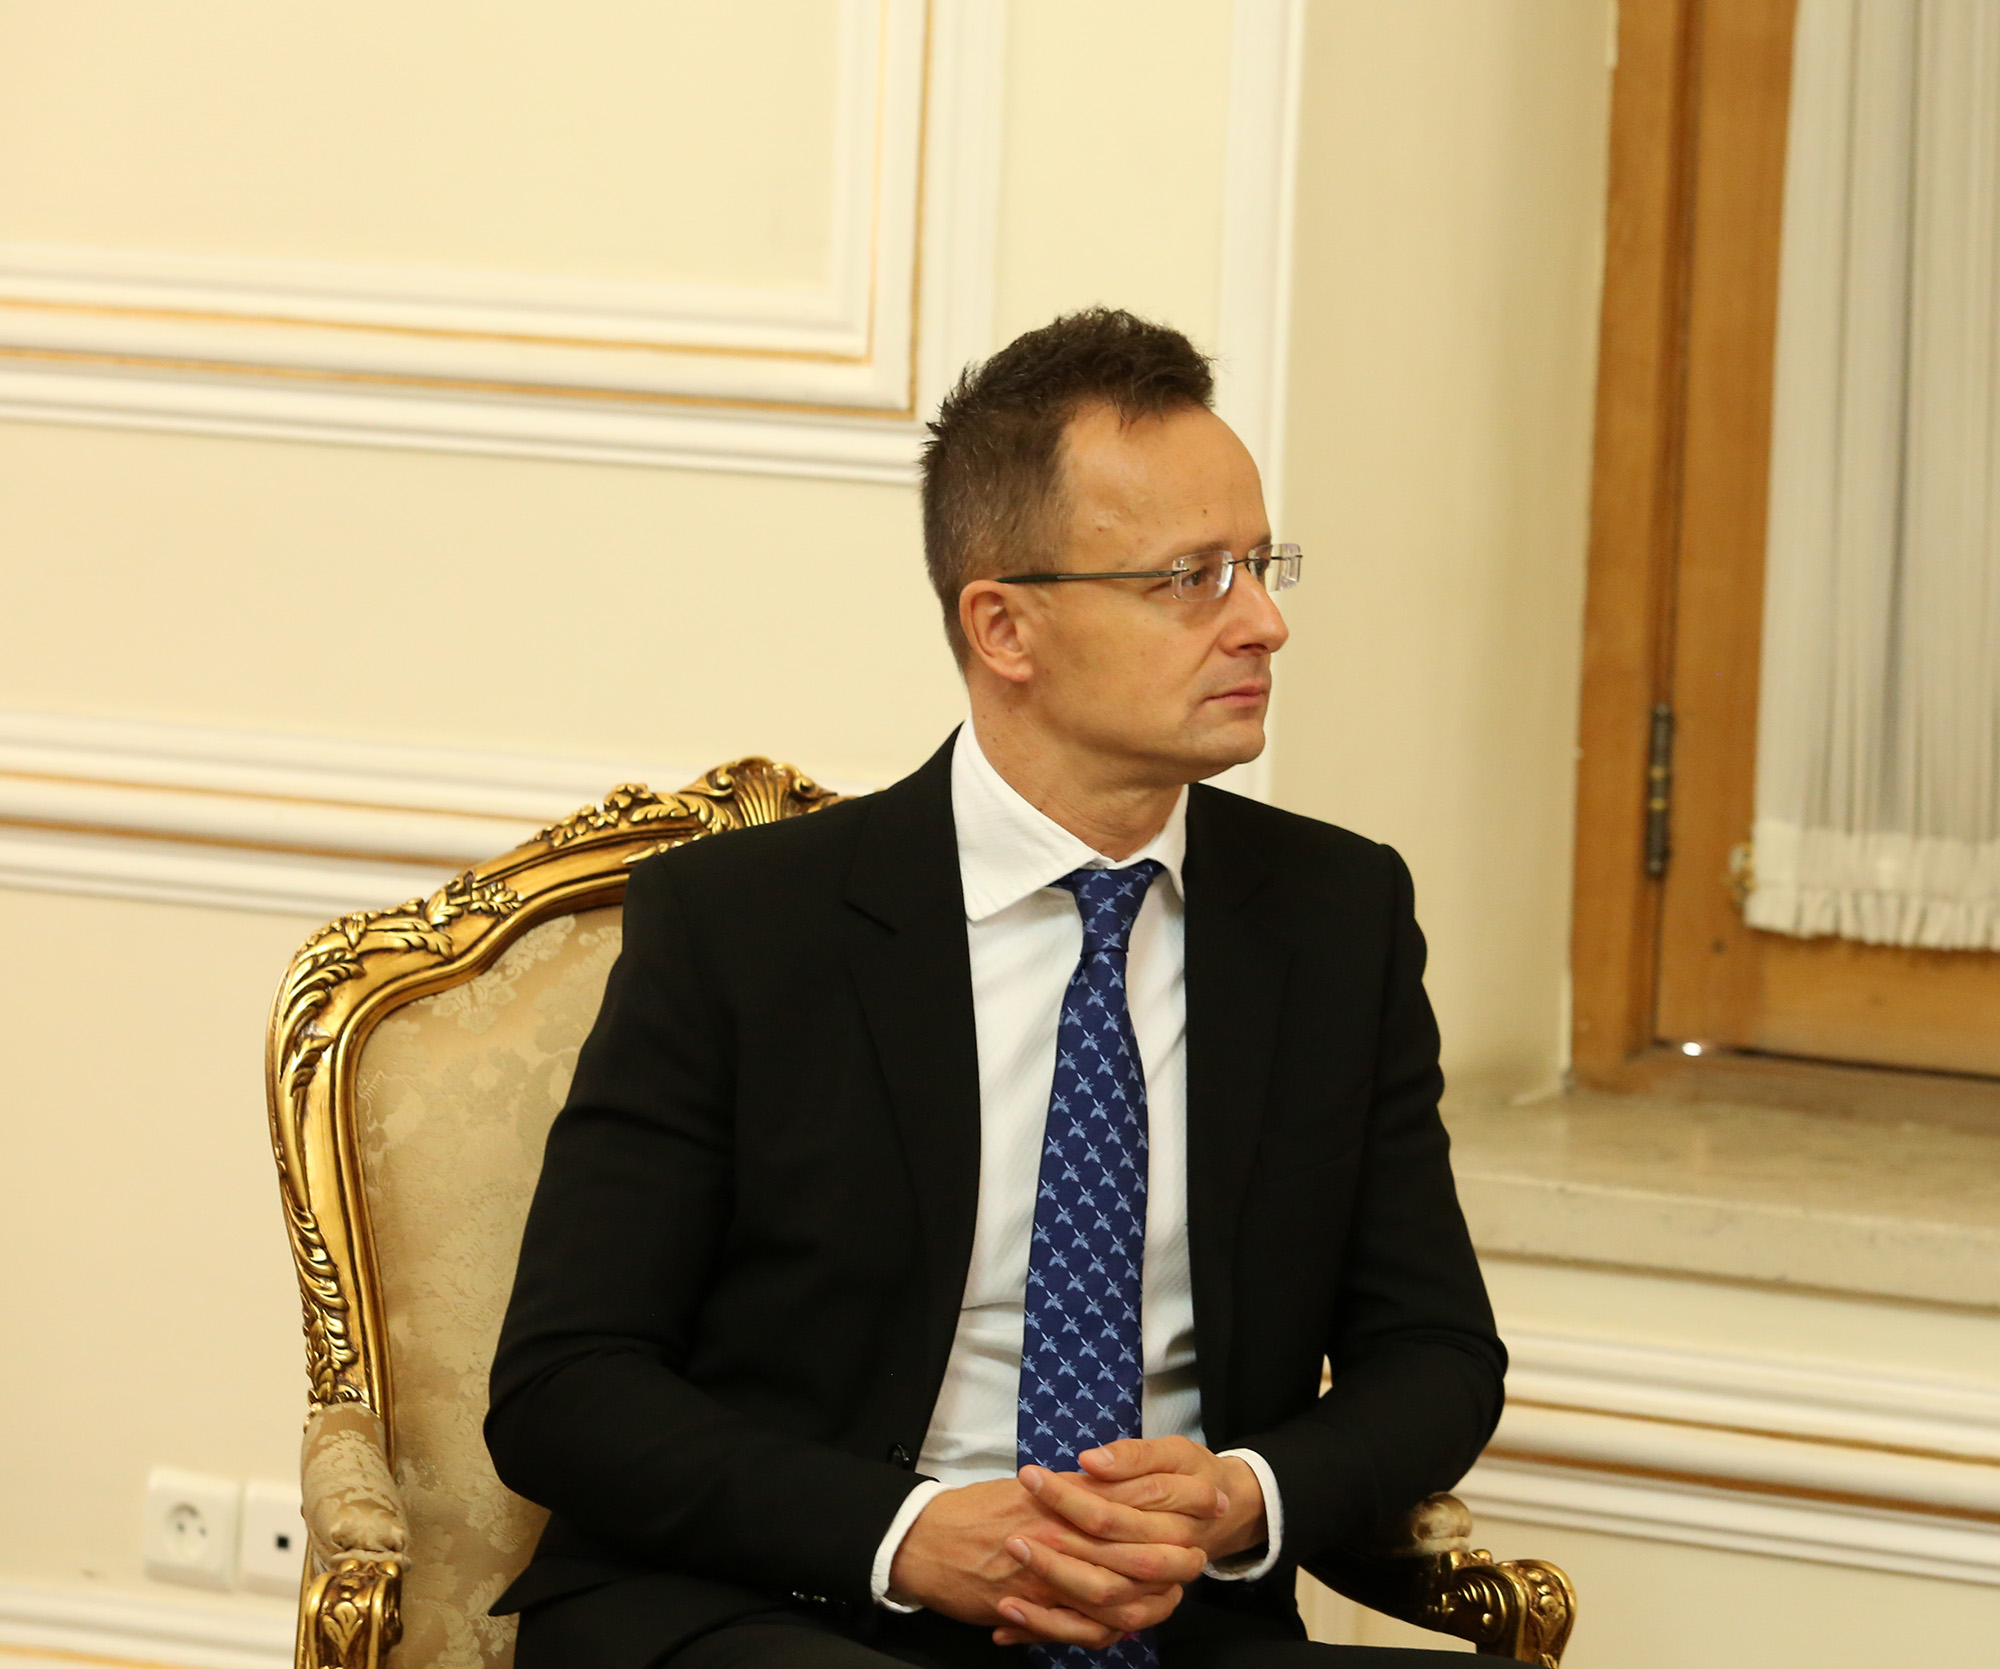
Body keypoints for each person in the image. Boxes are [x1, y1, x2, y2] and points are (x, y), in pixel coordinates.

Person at [487, 308, 1504, 1669]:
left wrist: (1239, 1497)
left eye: (1261, 566)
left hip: (1166, 1620)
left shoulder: (1336, 916)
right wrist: (906, 1533)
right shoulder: (746, 924)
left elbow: (1436, 1353)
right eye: (1192, 578)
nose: (1263, 622)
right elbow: (566, 1385)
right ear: (1005, 625)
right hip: (785, 1603)